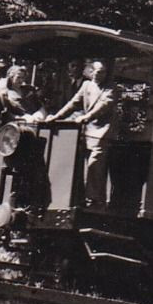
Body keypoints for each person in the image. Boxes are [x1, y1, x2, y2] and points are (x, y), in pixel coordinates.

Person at [49, 61, 117, 209]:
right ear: (91, 72)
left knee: (94, 164)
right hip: (86, 132)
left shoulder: (111, 88)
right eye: (98, 72)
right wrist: (56, 117)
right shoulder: (86, 86)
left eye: (103, 72)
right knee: (77, 163)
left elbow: (104, 105)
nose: (100, 75)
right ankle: (74, 198)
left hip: (102, 132)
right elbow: (73, 103)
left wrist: (86, 117)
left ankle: (93, 200)